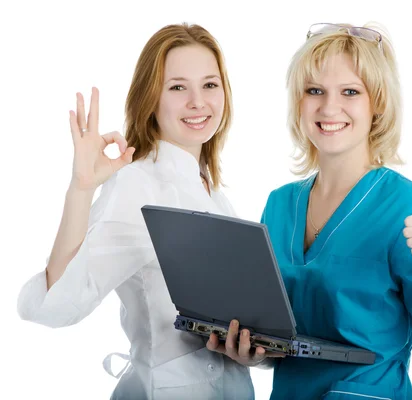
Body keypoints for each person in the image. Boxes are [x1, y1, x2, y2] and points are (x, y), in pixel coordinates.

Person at [207, 23, 412, 399]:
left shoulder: (407, 210)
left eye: (350, 92)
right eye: (314, 91)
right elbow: (284, 343)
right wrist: (251, 353)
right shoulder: (279, 205)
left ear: (378, 104)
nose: (329, 107)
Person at [16, 23, 259, 399]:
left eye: (209, 84)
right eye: (178, 87)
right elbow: (59, 304)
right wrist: (81, 188)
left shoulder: (213, 192)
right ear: (151, 98)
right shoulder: (138, 185)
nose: (198, 101)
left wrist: (251, 349)